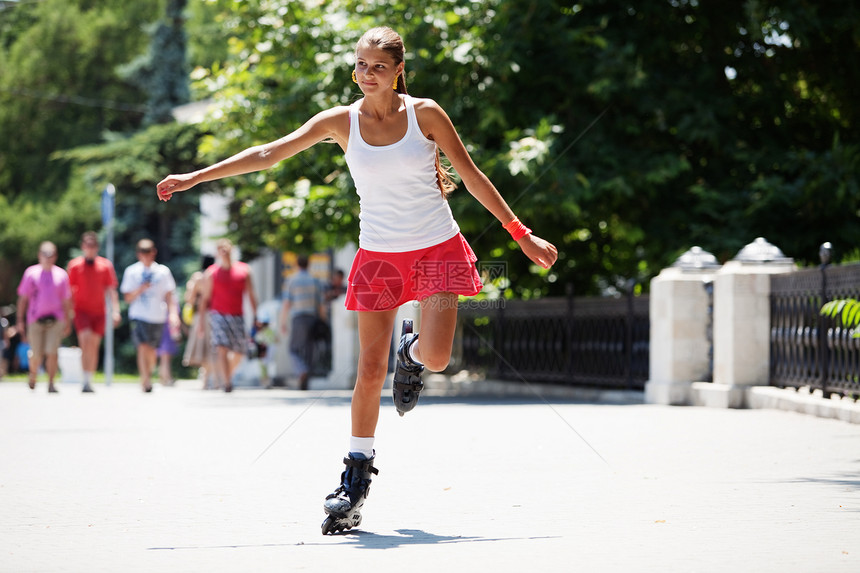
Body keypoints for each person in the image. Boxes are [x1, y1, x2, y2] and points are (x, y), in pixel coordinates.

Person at [156, 26, 557, 534]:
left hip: (436, 249)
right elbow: (267, 154)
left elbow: (472, 175)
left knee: (435, 358)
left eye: (379, 67)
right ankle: (355, 475)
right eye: (361, 66)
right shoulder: (340, 122)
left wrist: (520, 234)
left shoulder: (426, 114)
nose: (368, 75)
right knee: (369, 370)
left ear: (398, 71)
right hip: (381, 258)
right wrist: (194, 178)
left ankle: (409, 354)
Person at [119, 239, 180, 392]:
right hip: (139, 315)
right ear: (138, 254)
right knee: (142, 346)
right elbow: (127, 298)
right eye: (142, 252)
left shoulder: (163, 271)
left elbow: (169, 295)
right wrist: (140, 289)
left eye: (148, 252)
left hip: (157, 315)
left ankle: (149, 373)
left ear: (154, 252)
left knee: (152, 350)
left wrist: (173, 314)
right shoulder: (131, 272)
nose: (146, 256)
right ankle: (145, 380)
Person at [200, 238, 258, 393]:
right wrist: (200, 323)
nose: (224, 251)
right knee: (222, 348)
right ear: (217, 253)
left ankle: (226, 376)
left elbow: (251, 294)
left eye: (226, 248)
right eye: (220, 249)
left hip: (237, 315)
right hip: (218, 315)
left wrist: (256, 316)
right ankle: (227, 383)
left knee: (240, 351)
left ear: (231, 249)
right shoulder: (211, 273)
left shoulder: (244, 270)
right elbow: (205, 299)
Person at [67, 231, 121, 392]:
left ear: (96, 247)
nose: (89, 249)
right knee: (85, 341)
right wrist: (69, 311)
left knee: (94, 345)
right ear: (83, 247)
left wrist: (116, 310)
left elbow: (111, 290)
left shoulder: (105, 265)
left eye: (93, 246)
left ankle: (89, 379)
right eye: (87, 245)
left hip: (99, 312)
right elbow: (69, 290)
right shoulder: (75, 265)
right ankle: (84, 380)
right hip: (81, 310)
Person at [16, 242, 74, 393]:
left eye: (51, 255)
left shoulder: (61, 274)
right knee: (36, 353)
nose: (47, 258)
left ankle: (51, 382)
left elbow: (66, 301)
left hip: (56, 319)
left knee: (52, 351)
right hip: (35, 319)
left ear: (55, 256)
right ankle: (33, 374)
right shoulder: (31, 273)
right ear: (39, 255)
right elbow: (23, 299)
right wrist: (20, 321)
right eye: (44, 255)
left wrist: (68, 321)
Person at [279, 254, 326, 391]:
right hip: (312, 318)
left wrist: (282, 322)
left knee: (293, 348)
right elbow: (321, 304)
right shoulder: (315, 280)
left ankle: (301, 370)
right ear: (308, 264)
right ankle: (306, 376)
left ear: (297, 264)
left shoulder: (291, 280)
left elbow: (287, 303)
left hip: (298, 317)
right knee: (310, 349)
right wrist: (324, 321)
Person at [181, 255, 215, 389]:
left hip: (201, 315)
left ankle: (205, 379)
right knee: (213, 348)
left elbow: (189, 298)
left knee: (203, 347)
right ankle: (212, 378)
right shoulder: (215, 276)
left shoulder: (198, 277)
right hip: (215, 314)